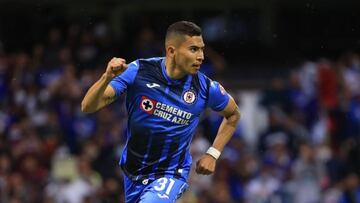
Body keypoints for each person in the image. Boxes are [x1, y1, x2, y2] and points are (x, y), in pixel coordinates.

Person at [81, 21, 241, 203]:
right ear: (172, 51)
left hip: (171, 174)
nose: (201, 56)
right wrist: (106, 77)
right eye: (194, 49)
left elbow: (233, 114)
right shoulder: (139, 71)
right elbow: (88, 107)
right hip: (133, 172)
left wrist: (213, 154)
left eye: (202, 49)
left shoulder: (205, 87)